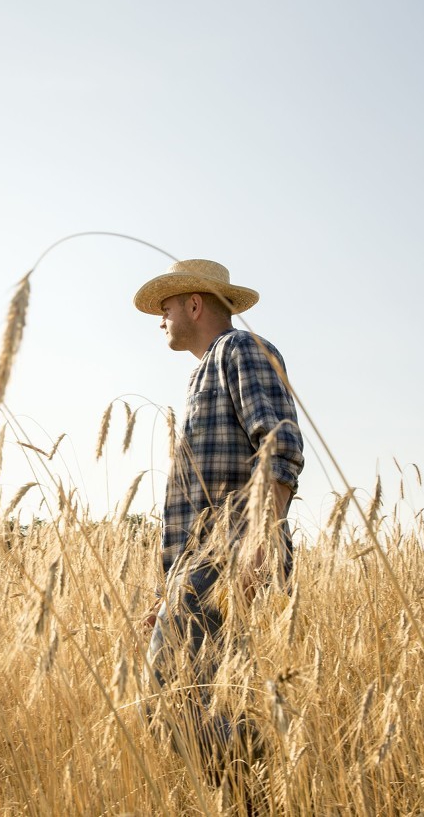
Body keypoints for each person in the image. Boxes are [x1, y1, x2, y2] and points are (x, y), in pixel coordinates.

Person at [133, 259, 304, 780]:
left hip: (227, 564)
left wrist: (256, 549)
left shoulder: (241, 350)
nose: (160, 318)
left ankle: (259, 794)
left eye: (166, 307)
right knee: (211, 705)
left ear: (194, 304)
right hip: (200, 571)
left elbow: (280, 448)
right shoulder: (202, 372)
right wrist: (169, 591)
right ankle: (265, 793)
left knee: (166, 699)